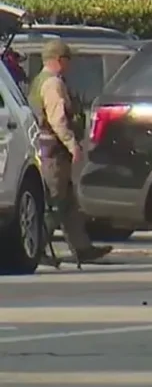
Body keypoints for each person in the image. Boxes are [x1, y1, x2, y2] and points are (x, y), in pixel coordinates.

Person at [29, 39, 112, 266]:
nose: (70, 65)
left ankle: (82, 247)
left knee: (67, 202)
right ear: (59, 60)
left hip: (49, 149)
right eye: (67, 60)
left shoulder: (40, 81)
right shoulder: (53, 84)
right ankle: (35, 247)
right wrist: (72, 144)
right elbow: (58, 119)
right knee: (55, 202)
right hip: (53, 151)